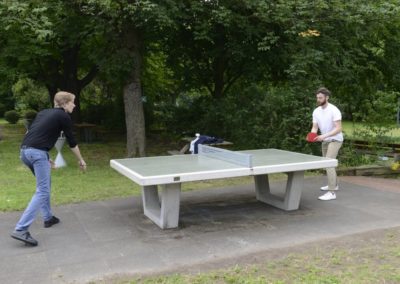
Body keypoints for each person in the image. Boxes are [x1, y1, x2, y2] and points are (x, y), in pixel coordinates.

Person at [11, 91, 87, 246]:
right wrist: (81, 160)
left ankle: (48, 217)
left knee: (44, 186)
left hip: (25, 152)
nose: (74, 104)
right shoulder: (64, 116)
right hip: (37, 153)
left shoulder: (44, 113)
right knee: (43, 190)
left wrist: (45, 157)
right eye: (73, 102)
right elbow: (72, 141)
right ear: (65, 103)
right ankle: (21, 229)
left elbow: (32, 134)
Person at [310, 87, 344, 201]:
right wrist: (312, 135)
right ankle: (334, 184)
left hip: (335, 139)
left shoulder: (334, 110)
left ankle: (332, 192)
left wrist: (324, 136)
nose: (318, 100)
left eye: (320, 98)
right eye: (317, 98)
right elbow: (315, 127)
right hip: (325, 140)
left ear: (327, 97)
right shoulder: (316, 111)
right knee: (327, 164)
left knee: (329, 163)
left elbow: (339, 128)